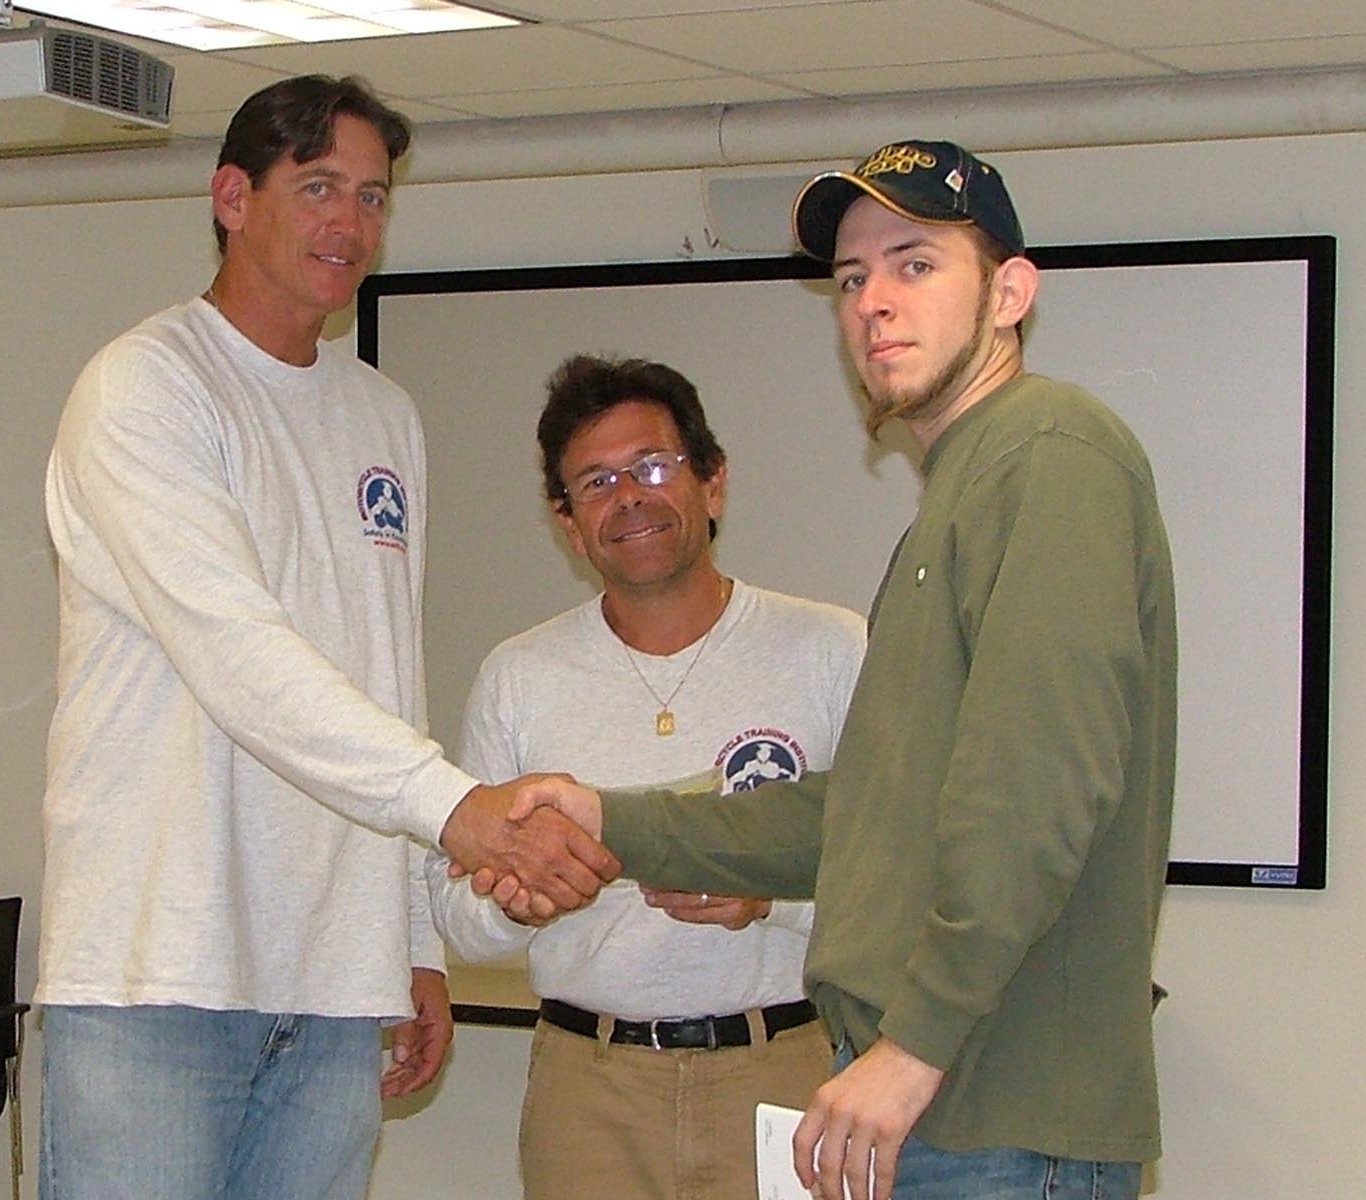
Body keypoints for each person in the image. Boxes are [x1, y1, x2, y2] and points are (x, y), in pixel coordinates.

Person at [491, 140, 1178, 1200]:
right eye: (852, 279)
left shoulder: (1048, 453)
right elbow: (859, 814)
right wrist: (607, 818)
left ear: (1010, 293)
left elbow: (1035, 797)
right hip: (943, 1107)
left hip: (991, 1113)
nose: (873, 303)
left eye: (916, 264)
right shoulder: (956, 502)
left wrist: (914, 1048)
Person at [36, 74, 614, 1200]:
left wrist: (410, 944)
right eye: (317, 188)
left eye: (372, 196)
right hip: (158, 970)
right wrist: (459, 809)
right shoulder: (145, 388)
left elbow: (385, 680)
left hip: (338, 987)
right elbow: (238, 654)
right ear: (232, 199)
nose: (350, 222)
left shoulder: (383, 416)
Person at [427, 354, 868, 1200]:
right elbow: (459, 920)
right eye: (595, 483)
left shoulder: (832, 650)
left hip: (786, 1069)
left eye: (653, 467)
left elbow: (900, 878)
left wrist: (770, 900)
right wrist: (518, 899)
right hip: (589, 1091)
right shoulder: (519, 676)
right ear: (567, 523)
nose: (628, 497)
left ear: (713, 482)